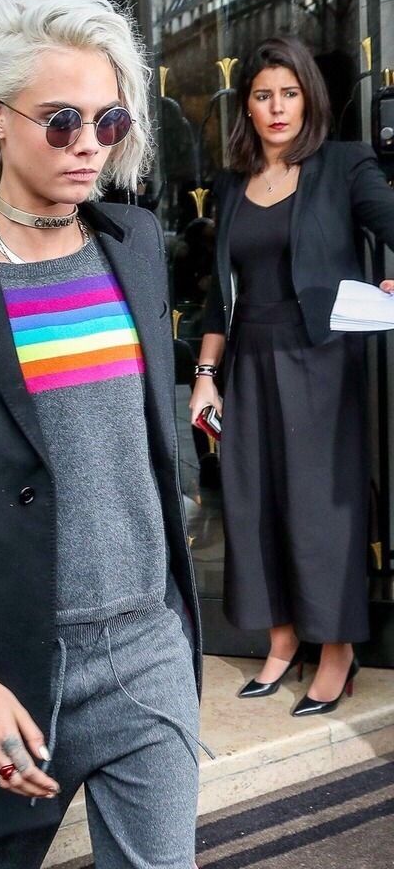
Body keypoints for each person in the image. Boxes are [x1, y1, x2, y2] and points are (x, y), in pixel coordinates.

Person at [0, 0, 207, 869]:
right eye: (62, 121)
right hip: (17, 667)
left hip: (147, 647)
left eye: (110, 122)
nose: (90, 146)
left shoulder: (133, 242)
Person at [189, 36, 394, 717]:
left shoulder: (343, 165)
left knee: (319, 510)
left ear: (309, 98)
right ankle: (281, 640)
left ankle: (336, 649)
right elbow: (222, 292)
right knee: (253, 503)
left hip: (321, 361)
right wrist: (206, 373)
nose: (276, 108)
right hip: (249, 360)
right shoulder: (230, 183)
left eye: (289, 93)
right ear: (245, 105)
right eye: (262, 95)